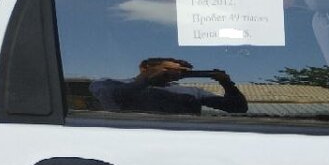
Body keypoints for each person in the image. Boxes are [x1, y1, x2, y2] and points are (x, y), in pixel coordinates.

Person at [91, 58, 248, 115]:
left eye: (180, 72)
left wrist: (226, 83)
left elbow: (237, 108)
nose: (175, 75)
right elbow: (107, 96)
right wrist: (147, 81)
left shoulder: (192, 92)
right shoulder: (111, 84)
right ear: (144, 68)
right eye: (169, 70)